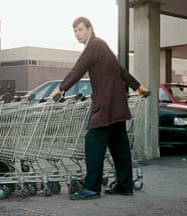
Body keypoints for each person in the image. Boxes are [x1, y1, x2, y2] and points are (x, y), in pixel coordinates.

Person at [50, 16, 149, 200]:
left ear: (89, 29)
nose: (77, 34)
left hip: (105, 104)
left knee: (93, 143)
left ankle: (91, 189)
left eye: (80, 29)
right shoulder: (102, 46)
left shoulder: (94, 45)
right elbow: (121, 70)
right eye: (74, 31)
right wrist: (139, 87)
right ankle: (124, 185)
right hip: (116, 103)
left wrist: (60, 89)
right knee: (119, 147)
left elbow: (78, 69)